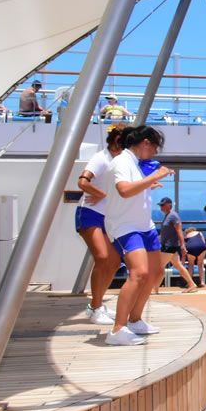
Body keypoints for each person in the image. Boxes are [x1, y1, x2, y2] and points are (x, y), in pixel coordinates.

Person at [102, 125, 173, 346]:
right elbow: (124, 190)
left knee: (155, 272)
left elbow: (133, 190)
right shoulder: (122, 161)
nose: (154, 153)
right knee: (139, 272)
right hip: (125, 226)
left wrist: (149, 185)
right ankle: (117, 330)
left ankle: (135, 320)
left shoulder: (134, 163)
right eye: (154, 148)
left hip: (144, 225)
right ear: (145, 143)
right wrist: (154, 176)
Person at [74, 125, 128, 325]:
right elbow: (82, 182)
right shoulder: (100, 158)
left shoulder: (121, 161)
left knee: (114, 262)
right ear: (114, 140)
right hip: (89, 214)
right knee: (103, 257)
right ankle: (96, 308)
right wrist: (102, 194)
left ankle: (96, 305)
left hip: (107, 217)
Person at [155, 198, 199, 293]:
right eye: (160, 205)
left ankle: (154, 289)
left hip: (170, 246)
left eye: (162, 205)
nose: (161, 207)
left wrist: (183, 245)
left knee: (159, 267)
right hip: (167, 246)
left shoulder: (173, 216)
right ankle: (192, 284)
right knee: (178, 266)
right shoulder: (167, 216)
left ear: (169, 205)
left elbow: (179, 231)